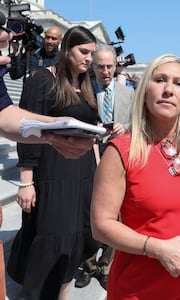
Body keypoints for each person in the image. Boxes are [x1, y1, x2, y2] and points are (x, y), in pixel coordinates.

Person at [91, 54, 180, 299]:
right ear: (145, 91)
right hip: (138, 288)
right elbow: (101, 225)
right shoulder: (120, 151)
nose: (169, 89)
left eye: (179, 83)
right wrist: (158, 248)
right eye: (160, 80)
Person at [6, 25, 100, 300]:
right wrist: (26, 182)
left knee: (79, 237)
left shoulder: (87, 83)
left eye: (92, 54)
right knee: (54, 238)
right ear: (66, 48)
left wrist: (97, 171)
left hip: (84, 173)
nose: (88, 59)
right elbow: (27, 130)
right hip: (53, 173)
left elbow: (91, 132)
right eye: (84, 51)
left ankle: (63, 293)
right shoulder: (41, 80)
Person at [74, 43, 134, 289]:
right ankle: (87, 265)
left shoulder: (128, 94)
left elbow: (136, 121)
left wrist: (125, 127)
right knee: (89, 216)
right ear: (93, 66)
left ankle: (105, 266)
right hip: (88, 159)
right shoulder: (82, 90)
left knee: (116, 216)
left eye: (110, 66)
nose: (106, 71)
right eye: (100, 67)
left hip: (119, 163)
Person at [0, 29, 95, 158]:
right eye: (84, 52)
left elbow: (5, 117)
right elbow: (16, 74)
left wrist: (57, 128)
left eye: (92, 54)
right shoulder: (41, 75)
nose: (8, 35)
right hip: (50, 163)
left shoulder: (89, 85)